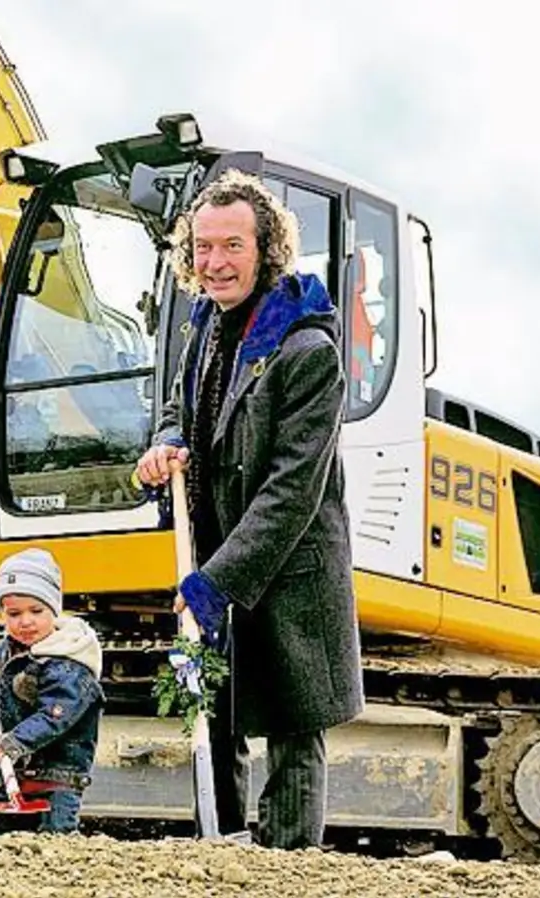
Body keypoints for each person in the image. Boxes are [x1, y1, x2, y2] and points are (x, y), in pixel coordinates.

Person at [133, 169, 365, 850]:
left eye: (231, 246)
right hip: (219, 555)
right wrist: (168, 442)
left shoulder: (307, 353)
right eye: (203, 247)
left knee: (294, 731)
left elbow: (292, 491)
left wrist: (219, 580)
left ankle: (289, 869)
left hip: (290, 574)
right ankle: (224, 858)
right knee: (217, 717)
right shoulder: (206, 328)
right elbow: (184, 410)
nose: (214, 262)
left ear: (266, 251)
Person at [0, 548, 104, 835]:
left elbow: (56, 715)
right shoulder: (9, 646)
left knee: (55, 833)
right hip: (20, 765)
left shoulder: (67, 664)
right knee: (4, 829)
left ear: (53, 610)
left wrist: (16, 740)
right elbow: (0, 678)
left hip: (60, 771)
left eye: (36, 611)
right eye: (14, 614)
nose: (25, 621)